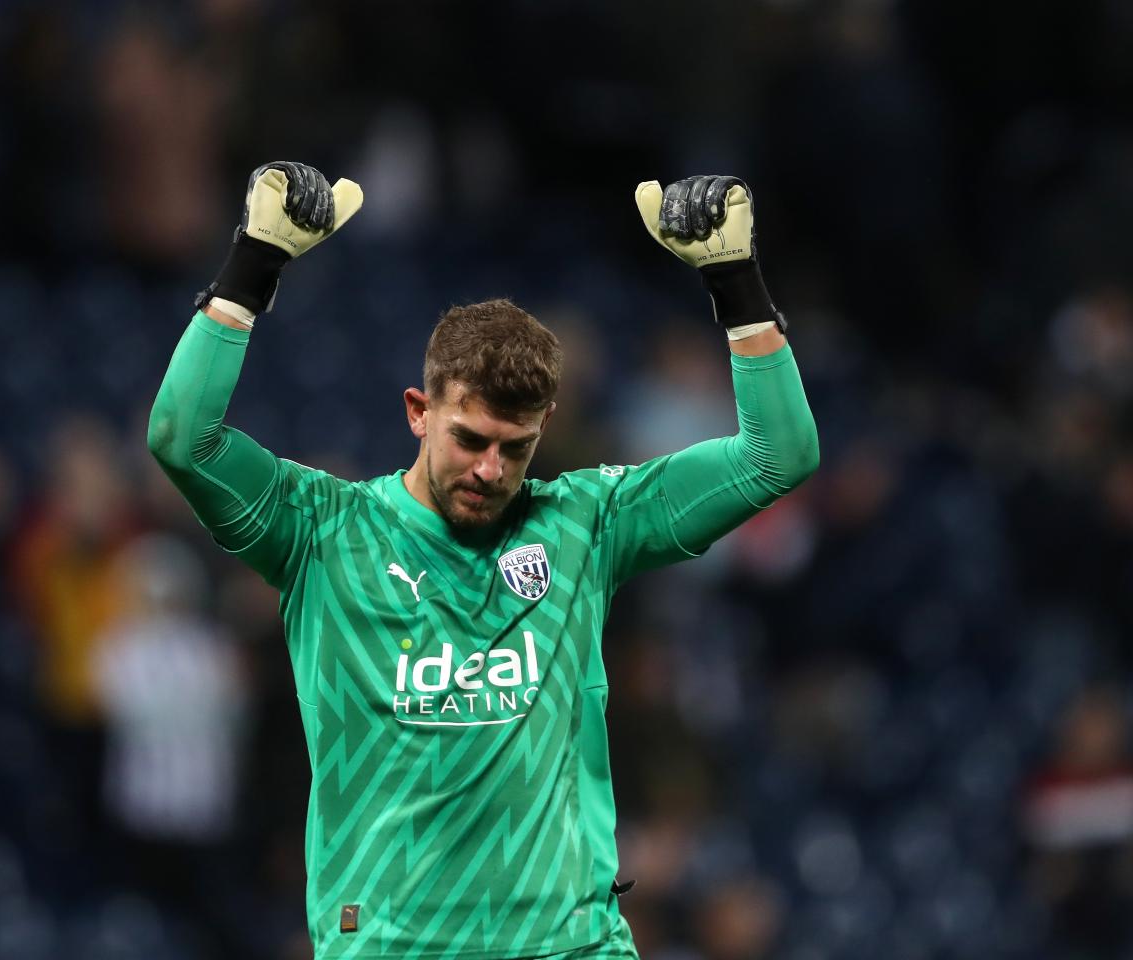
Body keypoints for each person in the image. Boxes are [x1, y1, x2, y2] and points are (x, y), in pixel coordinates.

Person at [148, 161, 818, 959]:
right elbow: (182, 439)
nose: (490, 470)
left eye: (516, 447)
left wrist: (735, 284)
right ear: (418, 412)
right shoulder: (321, 532)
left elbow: (778, 454)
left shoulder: (587, 524)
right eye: (469, 439)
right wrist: (253, 265)